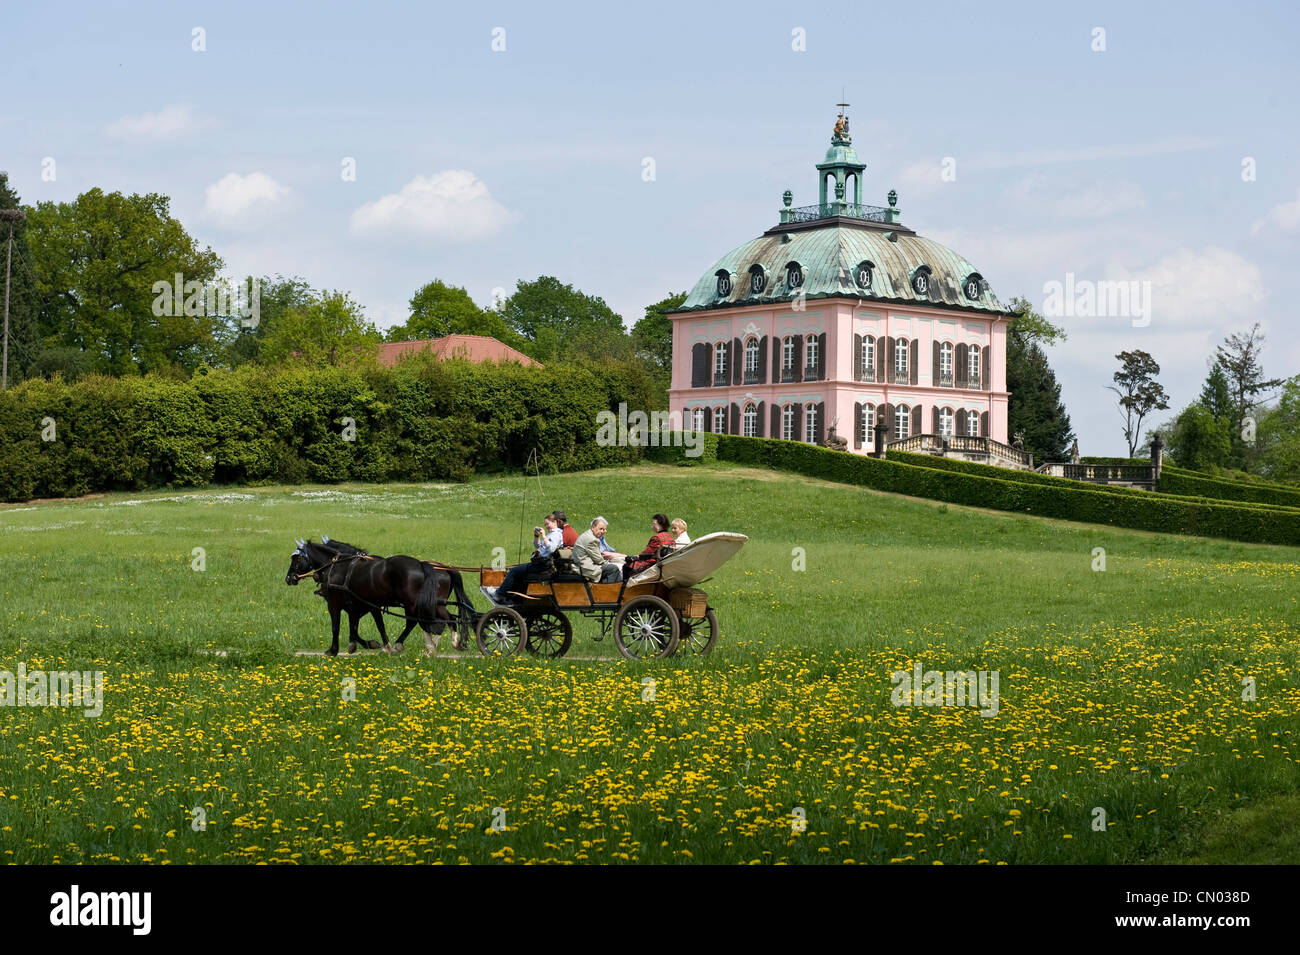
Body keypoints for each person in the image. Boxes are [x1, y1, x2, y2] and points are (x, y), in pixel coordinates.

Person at [497, 513, 563, 603]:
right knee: (519, 571)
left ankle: (500, 594)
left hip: (543, 564)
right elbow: (537, 546)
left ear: (554, 522)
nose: (547, 526)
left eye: (548, 524)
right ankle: (516, 597)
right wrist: (536, 536)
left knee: (513, 571)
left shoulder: (555, 535)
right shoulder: (552, 534)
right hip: (541, 563)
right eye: (545, 525)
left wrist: (543, 536)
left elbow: (552, 549)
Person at [574, 517, 621, 583]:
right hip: (586, 568)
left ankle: (611, 590)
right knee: (613, 568)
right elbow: (599, 560)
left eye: (604, 529)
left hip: (581, 565)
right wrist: (611, 563)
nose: (603, 531)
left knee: (612, 568)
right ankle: (606, 591)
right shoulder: (592, 540)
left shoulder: (588, 534)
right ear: (593, 527)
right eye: (600, 529)